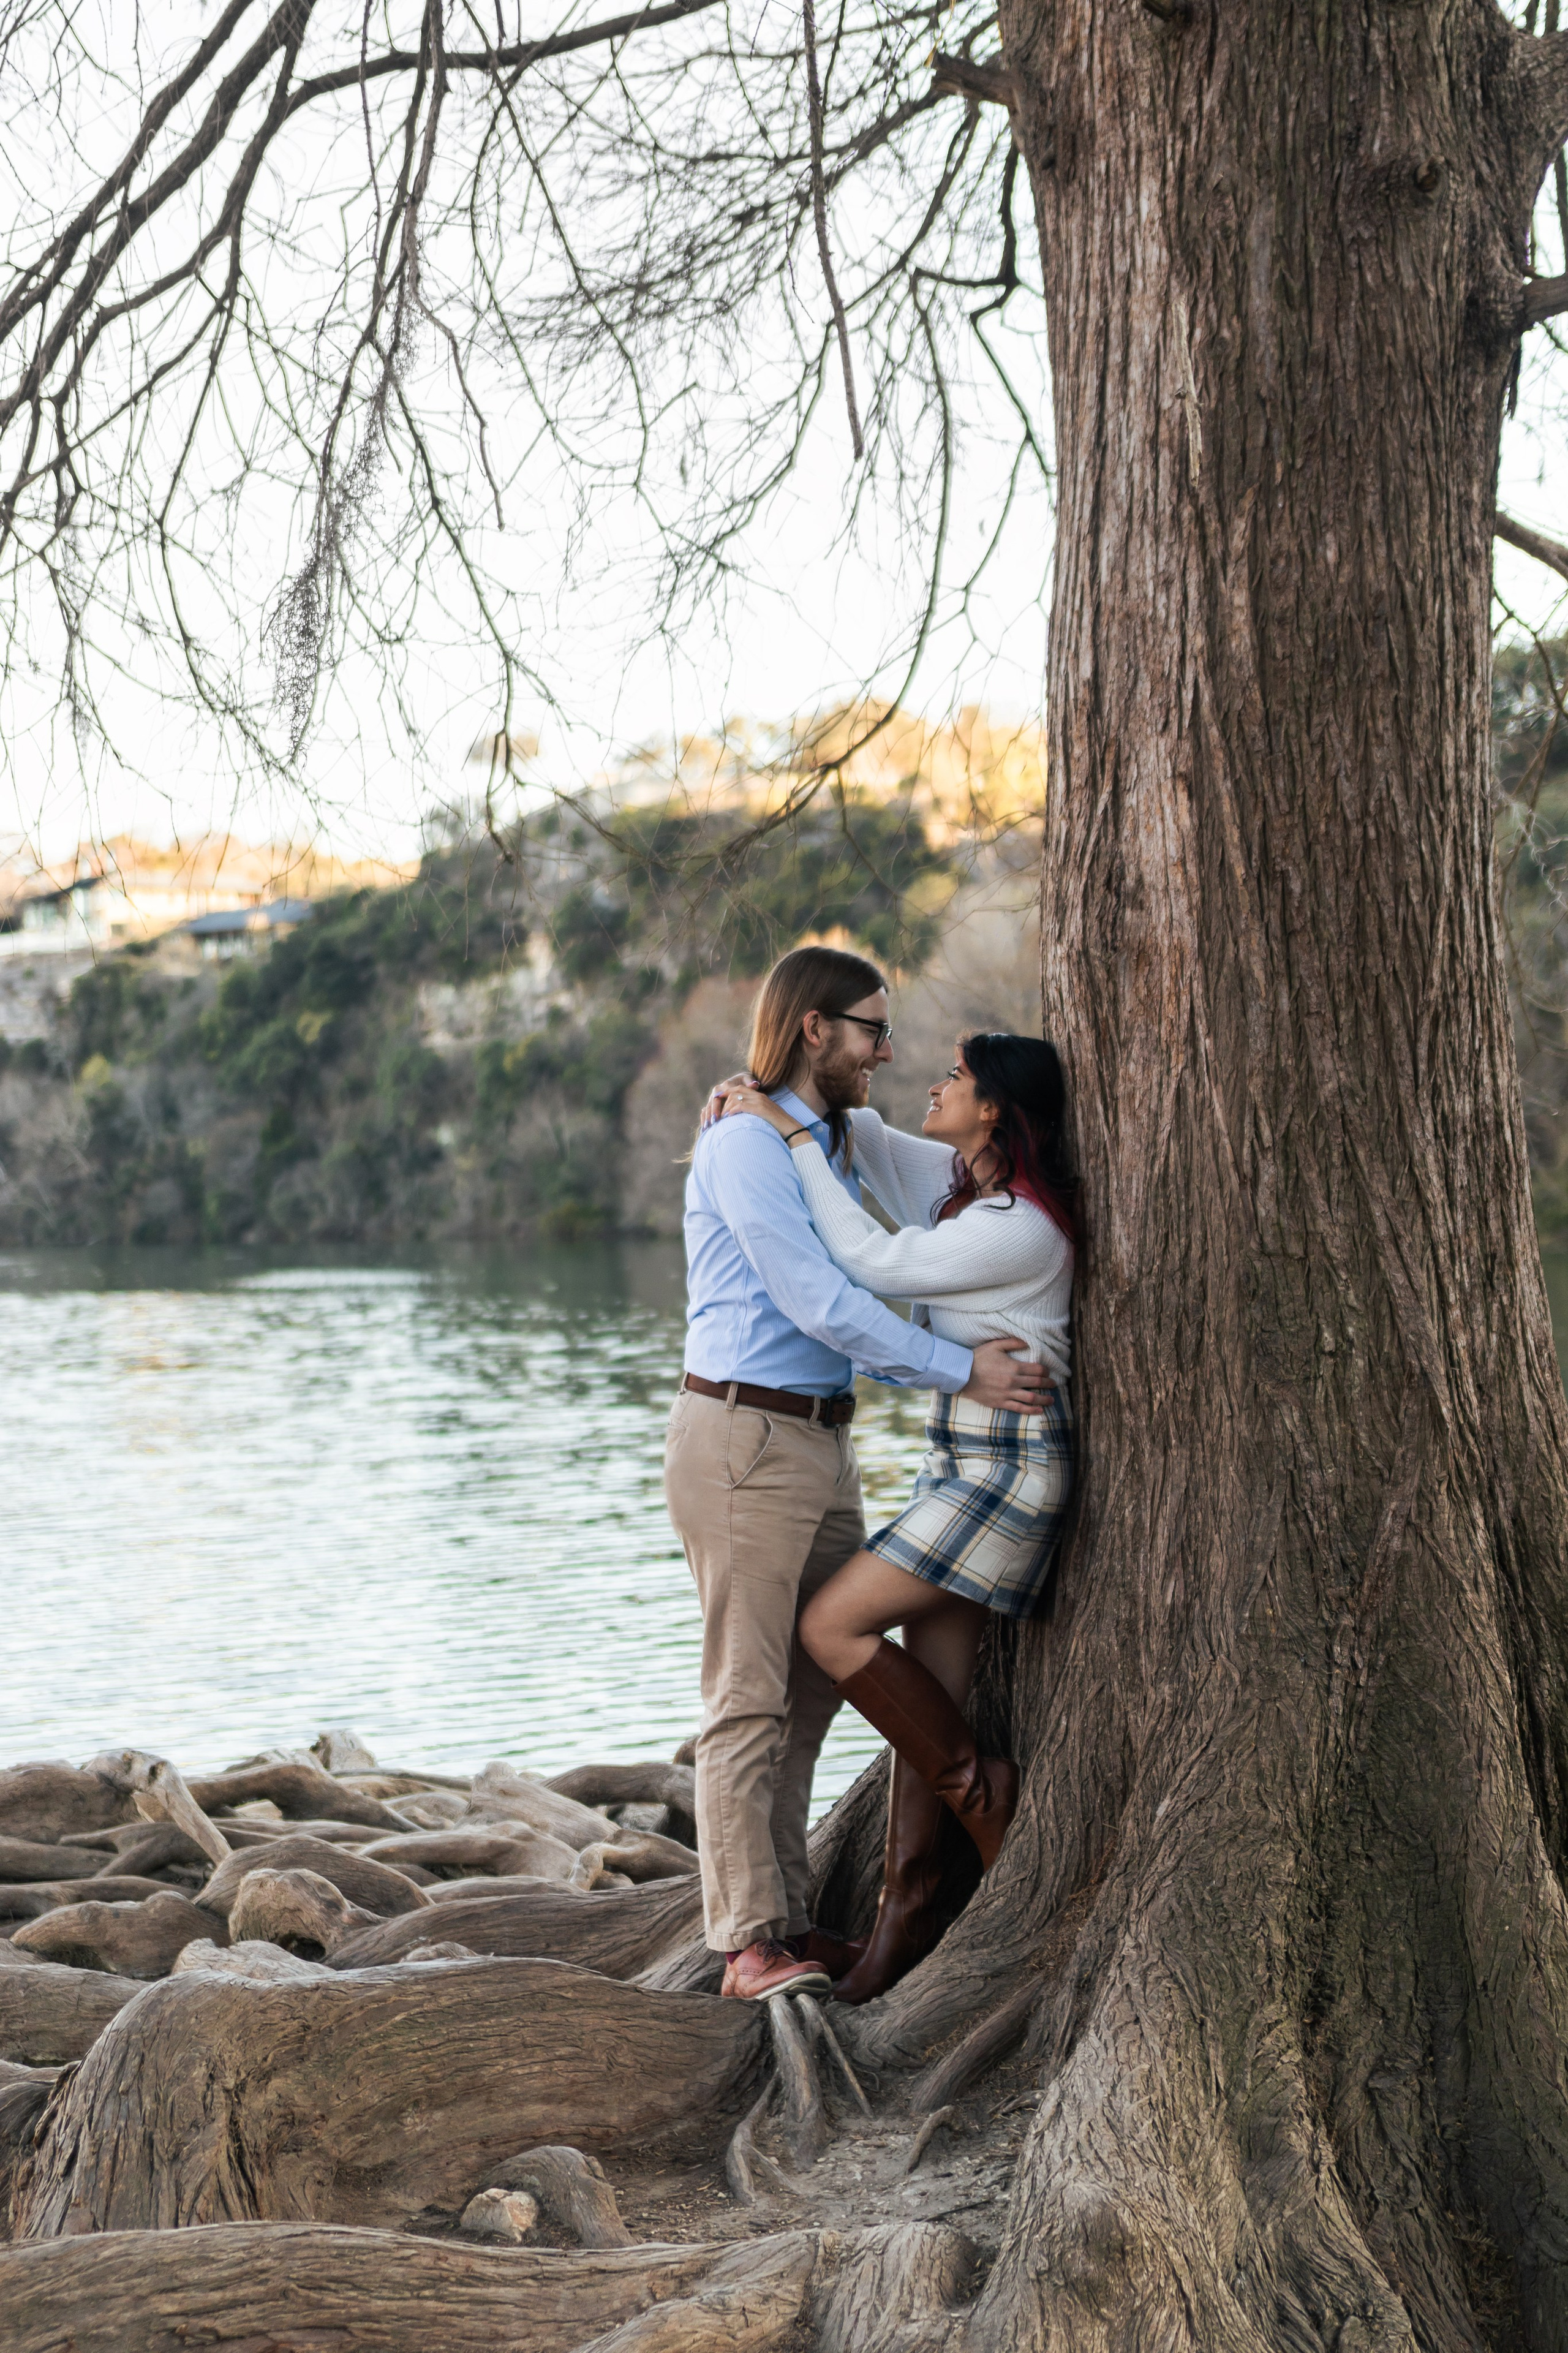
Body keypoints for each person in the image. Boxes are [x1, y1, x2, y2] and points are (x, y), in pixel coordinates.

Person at [666, 946, 1050, 2002]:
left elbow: (933, 1201)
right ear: (814, 1029)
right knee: (746, 1695)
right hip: (742, 1434)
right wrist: (962, 1369)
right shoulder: (746, 1144)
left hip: (819, 1440)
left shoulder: (833, 1136)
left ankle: (788, 1917)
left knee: (812, 1686)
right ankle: (746, 1944)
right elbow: (824, 1302)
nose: (887, 1049)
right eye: (873, 1029)